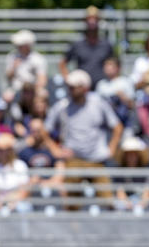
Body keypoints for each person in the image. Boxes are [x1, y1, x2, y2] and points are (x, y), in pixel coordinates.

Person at [44, 69, 122, 197]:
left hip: (96, 160)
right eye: (70, 87)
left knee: (107, 200)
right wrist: (55, 149)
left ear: (85, 88)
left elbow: (117, 127)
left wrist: (111, 149)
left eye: (74, 87)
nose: (71, 89)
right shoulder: (62, 106)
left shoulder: (98, 103)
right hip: (72, 160)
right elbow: (45, 130)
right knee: (71, 205)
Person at [59, 6, 114, 87]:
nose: (92, 22)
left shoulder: (106, 45)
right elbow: (62, 63)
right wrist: (69, 80)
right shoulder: (77, 45)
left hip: (102, 90)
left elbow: (114, 65)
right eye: (89, 19)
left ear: (99, 21)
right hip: (82, 91)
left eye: (95, 19)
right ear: (85, 21)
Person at [5, 29, 47, 95]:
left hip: (33, 89)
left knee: (43, 95)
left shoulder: (38, 58)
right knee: (7, 96)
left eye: (21, 45)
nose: (18, 46)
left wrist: (36, 89)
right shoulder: (12, 57)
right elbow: (8, 78)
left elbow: (42, 79)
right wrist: (13, 68)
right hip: (16, 89)